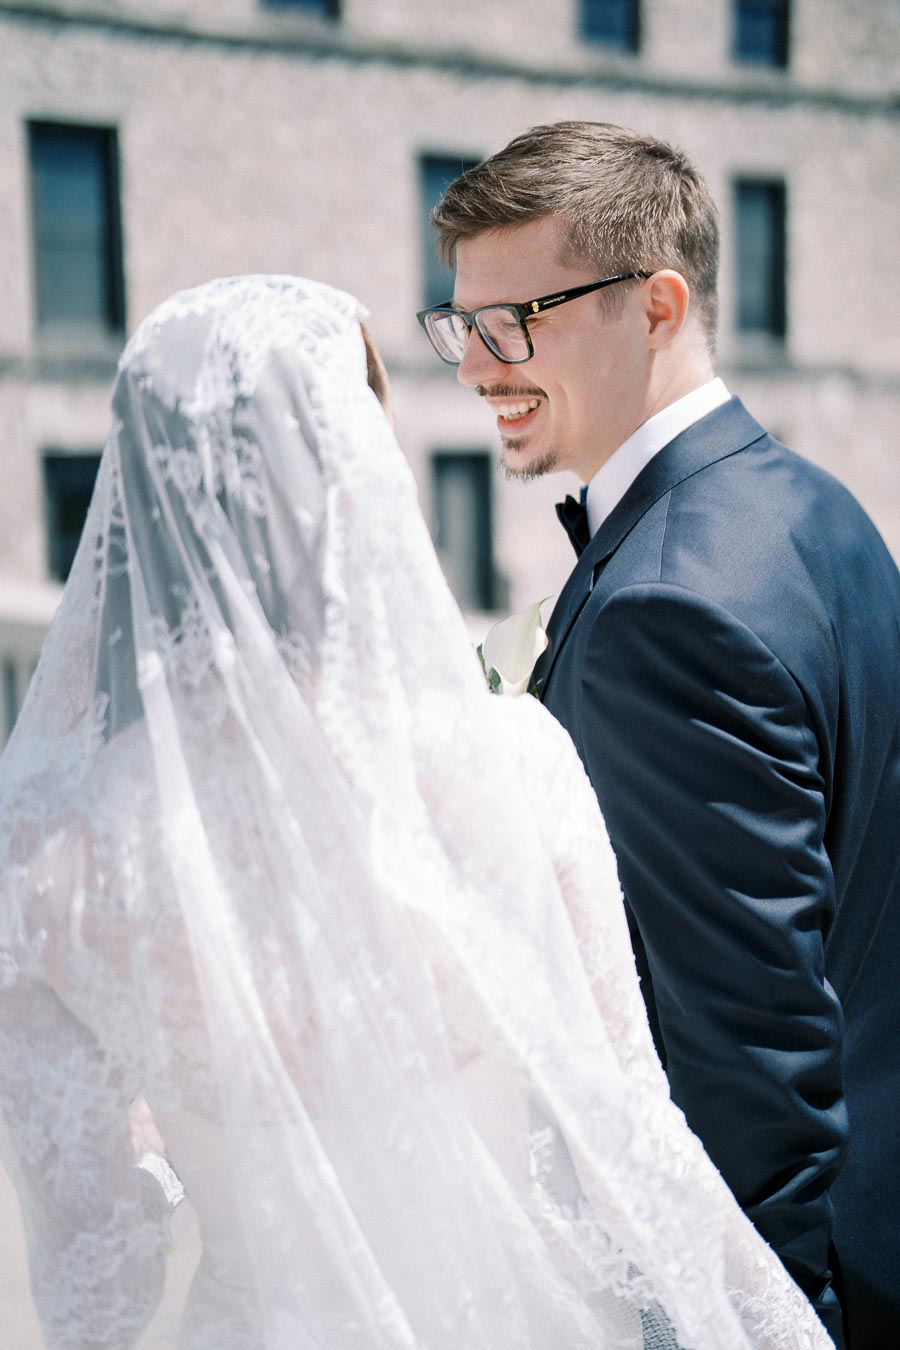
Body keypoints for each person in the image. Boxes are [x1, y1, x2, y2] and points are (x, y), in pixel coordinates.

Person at [0, 275, 834, 1350]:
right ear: (358, 473)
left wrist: (180, 1159)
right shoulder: (512, 766)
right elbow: (629, 1137)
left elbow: (95, 1267)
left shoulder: (49, 854)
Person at [421, 120, 900, 1350]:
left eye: (513, 322)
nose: (476, 368)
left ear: (658, 304)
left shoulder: (666, 607)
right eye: (460, 324)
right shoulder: (820, 508)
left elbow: (748, 1063)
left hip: (798, 1281)